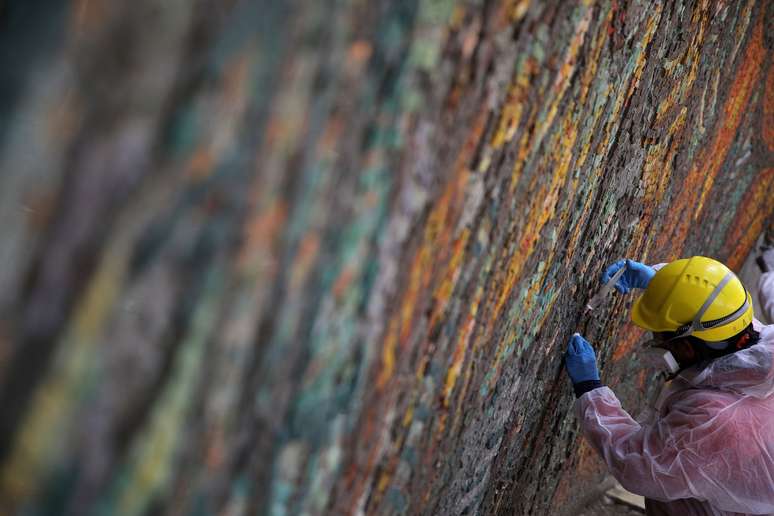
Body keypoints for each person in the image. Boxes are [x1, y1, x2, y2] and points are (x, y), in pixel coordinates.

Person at [565, 253, 774, 515]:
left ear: (686, 348)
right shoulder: (758, 344)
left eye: (659, 338)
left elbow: (638, 465)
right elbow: (719, 314)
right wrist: (662, 286)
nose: (657, 342)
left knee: (675, 498)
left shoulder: (714, 426)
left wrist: (590, 391)